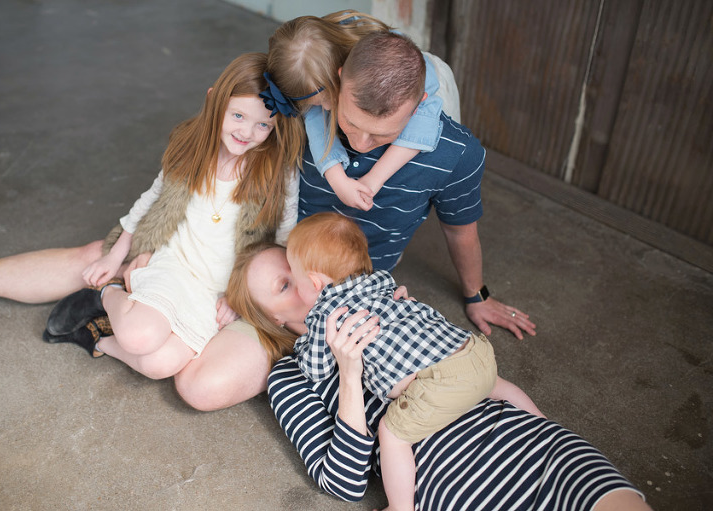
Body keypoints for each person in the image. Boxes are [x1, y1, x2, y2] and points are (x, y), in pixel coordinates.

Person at [0, 53, 302, 410]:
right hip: (174, 265)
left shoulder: (277, 174)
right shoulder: (192, 151)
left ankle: (96, 337)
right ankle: (106, 293)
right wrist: (118, 255)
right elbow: (151, 200)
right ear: (214, 102)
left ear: (275, 127)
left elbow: (280, 243)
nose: (246, 132)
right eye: (238, 116)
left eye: (262, 126)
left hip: (216, 289)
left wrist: (242, 298)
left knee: (158, 364)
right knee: (139, 335)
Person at [225, 241, 651, 511]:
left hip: (531, 445)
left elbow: (456, 357)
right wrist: (349, 374)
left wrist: (405, 314)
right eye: (284, 287)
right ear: (273, 320)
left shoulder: (377, 302)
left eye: (298, 269)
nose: (308, 285)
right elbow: (343, 482)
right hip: (457, 488)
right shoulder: (293, 377)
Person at [284, 212, 544, 511]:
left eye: (294, 274)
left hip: (438, 384)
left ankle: (400, 507)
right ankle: (541, 425)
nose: (294, 280)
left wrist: (306, 343)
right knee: (498, 386)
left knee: (392, 434)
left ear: (315, 283)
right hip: (473, 352)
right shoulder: (380, 279)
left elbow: (315, 369)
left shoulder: (327, 312)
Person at [289, 29, 536, 340]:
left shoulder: (457, 153)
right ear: (339, 80)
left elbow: (460, 231)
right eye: (350, 122)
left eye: (381, 134)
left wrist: (477, 295)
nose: (361, 142)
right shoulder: (307, 105)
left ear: (420, 105)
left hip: (363, 280)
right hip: (286, 256)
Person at [265, 10, 460, 211]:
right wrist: (337, 178)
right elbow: (315, 120)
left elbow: (423, 123)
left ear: (340, 72)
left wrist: (374, 179)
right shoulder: (314, 67)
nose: (327, 107)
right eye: (317, 103)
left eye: (326, 98)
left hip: (426, 83)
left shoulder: (406, 69)